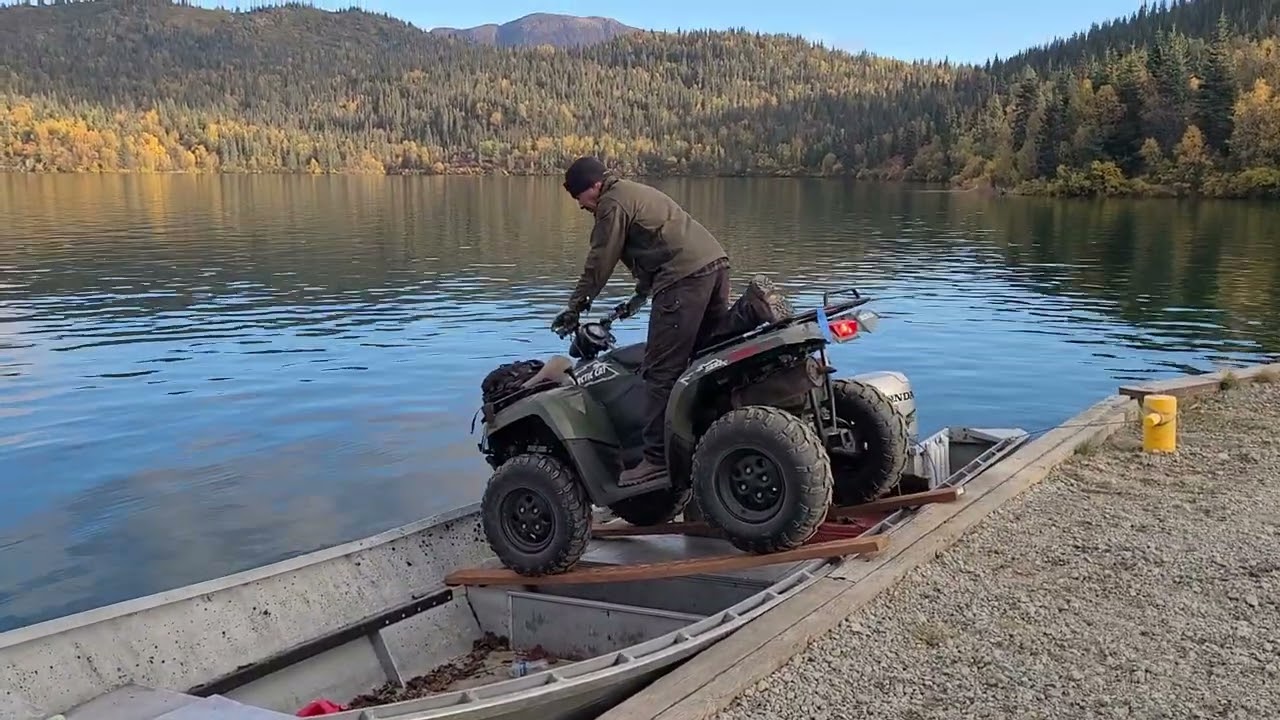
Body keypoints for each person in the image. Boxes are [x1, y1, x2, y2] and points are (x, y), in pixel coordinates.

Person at [553, 156, 785, 487]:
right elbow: (657, 245)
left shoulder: (611, 203)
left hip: (682, 278)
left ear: (594, 186)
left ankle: (655, 460)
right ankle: (752, 310)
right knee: (709, 353)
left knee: (660, 371)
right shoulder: (634, 192)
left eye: (580, 198)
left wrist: (576, 307)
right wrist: (635, 301)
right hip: (713, 264)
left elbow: (599, 260)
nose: (581, 206)